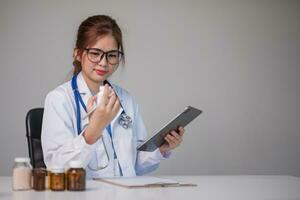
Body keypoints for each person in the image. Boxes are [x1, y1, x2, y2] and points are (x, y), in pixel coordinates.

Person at [41, 15, 185, 179]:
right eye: (95, 53)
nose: (103, 62)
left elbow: (133, 165)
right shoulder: (59, 99)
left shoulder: (125, 99)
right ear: (78, 54)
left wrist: (161, 149)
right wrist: (93, 131)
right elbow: (57, 168)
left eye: (111, 55)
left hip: (125, 192)